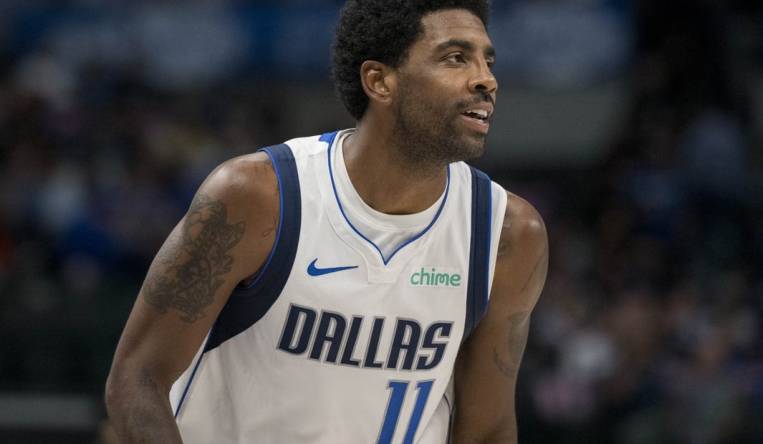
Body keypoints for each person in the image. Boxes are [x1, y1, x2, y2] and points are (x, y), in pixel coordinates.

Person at [104, 1, 548, 443]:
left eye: (487, 61)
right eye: (456, 58)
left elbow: (487, 430)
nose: (486, 79)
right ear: (379, 81)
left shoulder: (508, 234)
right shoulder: (257, 197)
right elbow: (136, 378)